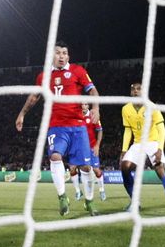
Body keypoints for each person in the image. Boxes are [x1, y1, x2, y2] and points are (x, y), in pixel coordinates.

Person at [15, 41, 101, 217]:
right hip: (56, 126)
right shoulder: (43, 76)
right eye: (58, 53)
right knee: (55, 156)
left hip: (78, 126)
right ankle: (62, 197)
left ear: (68, 56)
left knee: (86, 167)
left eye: (64, 53)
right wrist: (22, 113)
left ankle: (89, 201)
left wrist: (95, 108)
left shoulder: (78, 71)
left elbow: (93, 91)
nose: (61, 56)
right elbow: (34, 97)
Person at [120, 82, 165, 214]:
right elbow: (128, 131)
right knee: (124, 167)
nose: (135, 91)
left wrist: (160, 149)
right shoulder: (126, 109)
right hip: (137, 143)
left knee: (159, 169)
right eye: (133, 89)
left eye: (138, 89)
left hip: (152, 141)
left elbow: (162, 130)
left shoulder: (152, 107)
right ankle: (135, 202)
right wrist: (124, 150)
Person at [70, 103, 106, 202]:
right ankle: (78, 191)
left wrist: (97, 145)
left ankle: (102, 190)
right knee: (72, 169)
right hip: (78, 148)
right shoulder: (76, 116)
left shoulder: (93, 116)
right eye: (81, 104)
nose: (83, 106)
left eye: (85, 104)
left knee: (96, 170)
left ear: (88, 106)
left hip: (91, 147)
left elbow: (100, 130)